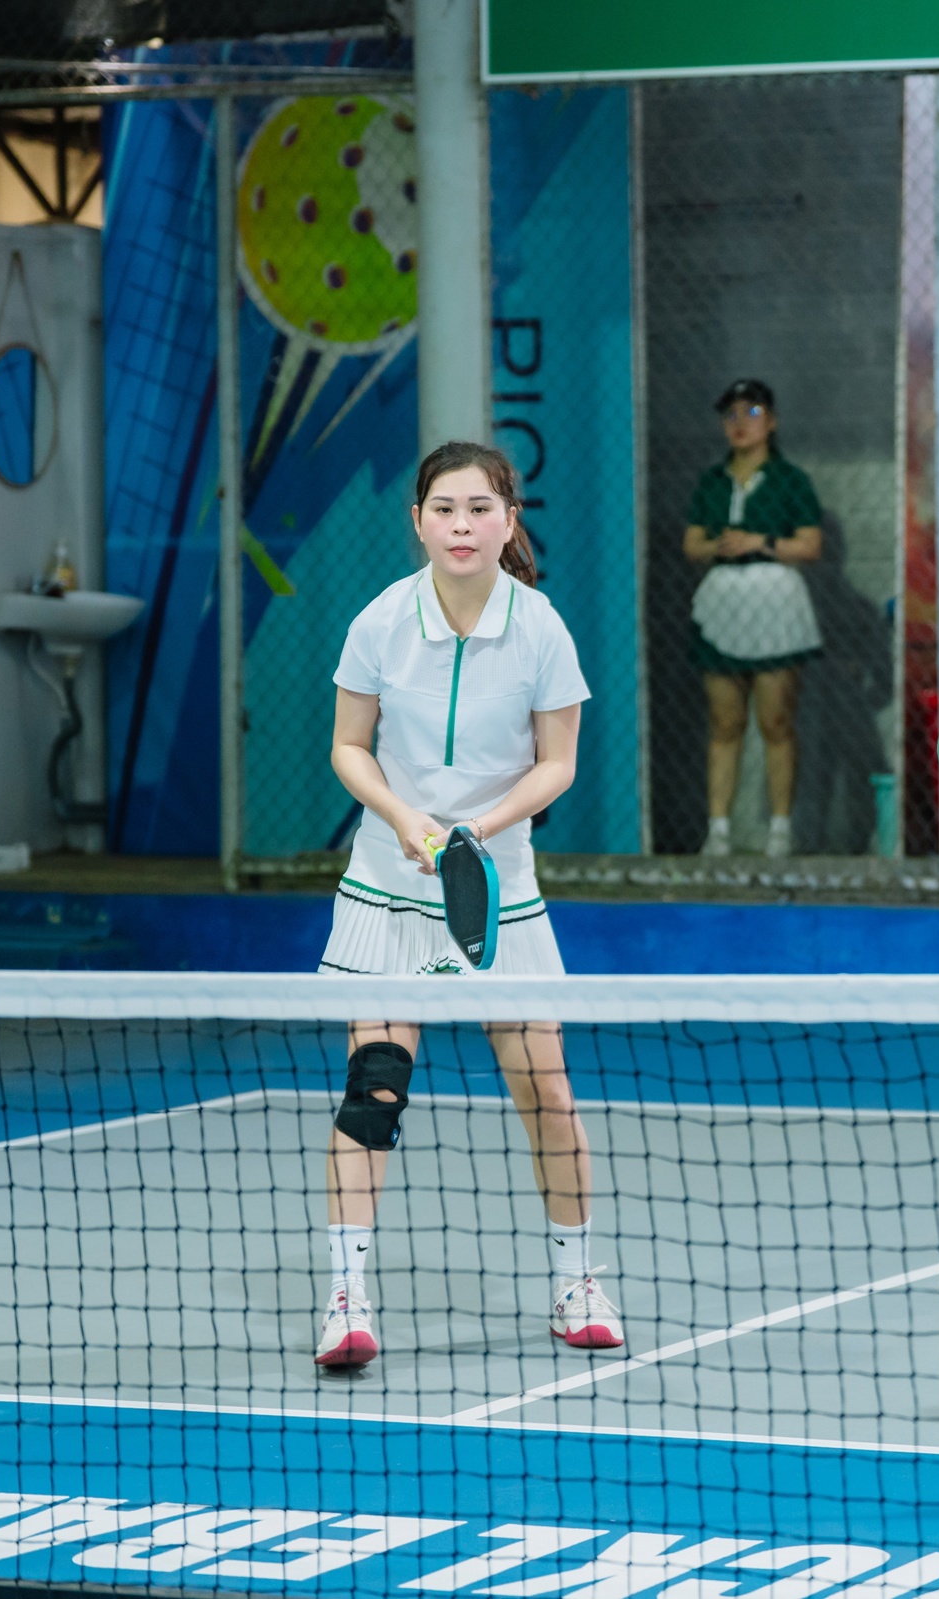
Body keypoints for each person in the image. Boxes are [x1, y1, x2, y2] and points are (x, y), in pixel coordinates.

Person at [315, 440, 623, 1367]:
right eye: (445, 509)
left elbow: (558, 763)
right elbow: (348, 746)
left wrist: (476, 831)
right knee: (374, 1086)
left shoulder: (541, 628)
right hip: (388, 884)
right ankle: (345, 1299)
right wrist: (403, 817)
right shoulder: (379, 622)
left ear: (508, 520)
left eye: (480, 508)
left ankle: (576, 1279)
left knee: (547, 1092)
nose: (462, 525)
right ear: (418, 520)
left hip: (501, 890)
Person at [683, 379, 824, 859]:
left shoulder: (790, 479)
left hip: (775, 598)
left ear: (773, 421)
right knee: (724, 720)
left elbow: (810, 544)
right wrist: (720, 545)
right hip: (724, 597)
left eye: (753, 412)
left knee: (776, 719)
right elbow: (692, 543)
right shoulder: (712, 480)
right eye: (731, 415)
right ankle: (719, 830)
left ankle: (780, 829)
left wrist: (760, 542)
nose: (741, 423)